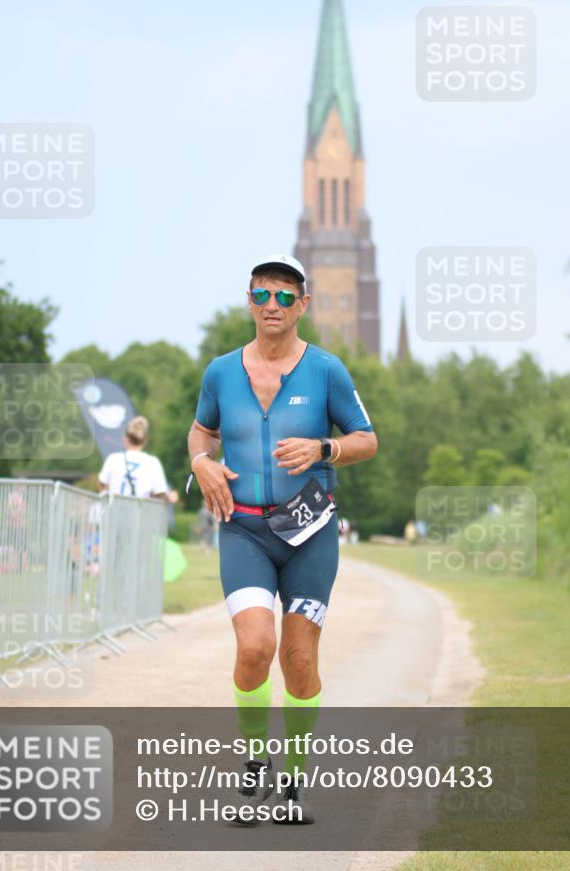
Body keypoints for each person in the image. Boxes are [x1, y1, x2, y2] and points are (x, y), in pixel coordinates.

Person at [187, 253, 377, 824]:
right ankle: (254, 762)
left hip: (310, 533)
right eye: (262, 295)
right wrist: (201, 462)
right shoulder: (221, 371)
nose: (273, 305)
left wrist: (325, 449)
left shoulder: (326, 370)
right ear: (249, 302)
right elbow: (202, 432)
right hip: (243, 527)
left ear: (303, 305)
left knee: (298, 658)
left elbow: (367, 439)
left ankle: (293, 782)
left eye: (285, 296)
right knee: (253, 647)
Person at [98, 415, 178, 506]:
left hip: (113, 514)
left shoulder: (113, 459)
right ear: (145, 441)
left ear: (126, 439)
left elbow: (102, 486)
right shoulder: (152, 462)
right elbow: (160, 493)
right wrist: (170, 497)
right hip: (138, 516)